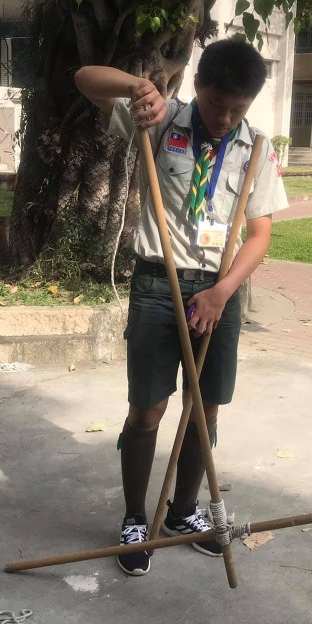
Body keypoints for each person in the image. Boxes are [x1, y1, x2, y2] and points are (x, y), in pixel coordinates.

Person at [75, 38, 289, 577]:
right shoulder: (158, 119)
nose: (225, 117)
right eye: (217, 104)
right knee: (147, 408)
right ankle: (133, 519)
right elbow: (84, 79)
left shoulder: (257, 149)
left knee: (205, 405)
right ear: (198, 88)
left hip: (219, 288)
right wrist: (135, 85)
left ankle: (184, 511)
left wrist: (222, 292)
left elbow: (260, 233)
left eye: (238, 108)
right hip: (155, 283)